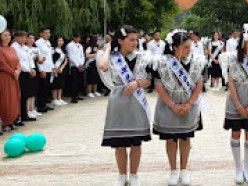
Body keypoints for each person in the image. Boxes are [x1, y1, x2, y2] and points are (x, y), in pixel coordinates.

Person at [97, 25, 152, 186]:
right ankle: (122, 175)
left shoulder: (143, 57)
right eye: (131, 40)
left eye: (136, 40)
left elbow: (150, 80)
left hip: (136, 102)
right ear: (120, 40)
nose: (135, 43)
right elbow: (102, 66)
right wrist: (107, 49)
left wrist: (137, 84)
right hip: (118, 103)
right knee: (119, 142)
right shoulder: (112, 57)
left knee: (136, 142)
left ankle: (134, 175)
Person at [151, 31, 206, 186]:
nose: (190, 50)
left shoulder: (196, 61)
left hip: (189, 104)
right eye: (186, 47)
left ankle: (184, 169)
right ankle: (173, 170)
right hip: (168, 105)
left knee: (186, 137)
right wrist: (173, 105)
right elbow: (158, 85)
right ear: (175, 47)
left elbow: (199, 83)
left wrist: (189, 104)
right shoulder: (162, 62)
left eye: (190, 47)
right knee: (171, 138)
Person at [219, 24, 248, 184]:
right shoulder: (232, 58)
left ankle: (247, 168)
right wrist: (238, 104)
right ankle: (238, 168)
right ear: (242, 42)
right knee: (236, 133)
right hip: (235, 101)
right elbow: (230, 82)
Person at [12, 31, 37, 122]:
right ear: (16, 37)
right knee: (20, 95)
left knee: (26, 94)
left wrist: (32, 68)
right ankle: (18, 116)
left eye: (25, 37)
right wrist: (28, 69)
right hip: (20, 73)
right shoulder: (14, 48)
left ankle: (24, 114)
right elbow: (18, 62)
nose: (24, 39)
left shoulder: (25, 48)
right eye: (22, 37)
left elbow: (29, 59)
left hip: (27, 73)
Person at [0, 29, 21, 132]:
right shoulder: (0, 49)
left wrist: (17, 70)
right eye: (5, 35)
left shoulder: (12, 49)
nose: (7, 37)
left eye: (8, 35)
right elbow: (2, 64)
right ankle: (6, 121)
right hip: (5, 77)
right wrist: (13, 72)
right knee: (6, 99)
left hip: (14, 77)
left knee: (14, 98)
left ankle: (13, 120)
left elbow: (18, 61)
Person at [35, 27, 56, 113]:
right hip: (43, 67)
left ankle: (44, 105)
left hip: (48, 67)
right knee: (42, 88)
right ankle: (40, 106)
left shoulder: (48, 42)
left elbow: (49, 57)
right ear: (41, 34)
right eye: (46, 33)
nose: (48, 34)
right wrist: (41, 70)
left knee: (47, 88)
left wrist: (53, 67)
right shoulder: (38, 43)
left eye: (49, 32)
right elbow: (38, 57)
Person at [25, 33, 42, 118]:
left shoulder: (36, 49)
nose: (32, 40)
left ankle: (33, 108)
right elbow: (27, 60)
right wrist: (34, 57)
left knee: (34, 90)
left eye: (33, 38)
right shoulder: (25, 49)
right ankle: (28, 110)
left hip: (35, 69)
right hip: (28, 70)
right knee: (29, 91)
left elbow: (40, 61)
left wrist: (41, 59)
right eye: (30, 38)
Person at [66, 33, 85, 103]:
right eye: (77, 38)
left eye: (79, 38)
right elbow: (71, 56)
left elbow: (82, 55)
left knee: (79, 81)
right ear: (73, 38)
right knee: (73, 81)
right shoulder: (70, 45)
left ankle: (77, 95)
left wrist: (81, 64)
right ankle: (73, 97)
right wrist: (77, 65)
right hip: (74, 65)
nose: (78, 39)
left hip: (80, 65)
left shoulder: (80, 45)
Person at [50, 36, 68, 107]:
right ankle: (54, 99)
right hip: (54, 69)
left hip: (61, 69)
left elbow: (65, 60)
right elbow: (51, 60)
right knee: (55, 84)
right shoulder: (52, 50)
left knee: (60, 84)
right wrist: (55, 68)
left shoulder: (62, 50)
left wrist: (62, 68)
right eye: (59, 41)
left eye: (62, 41)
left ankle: (59, 98)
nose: (61, 42)